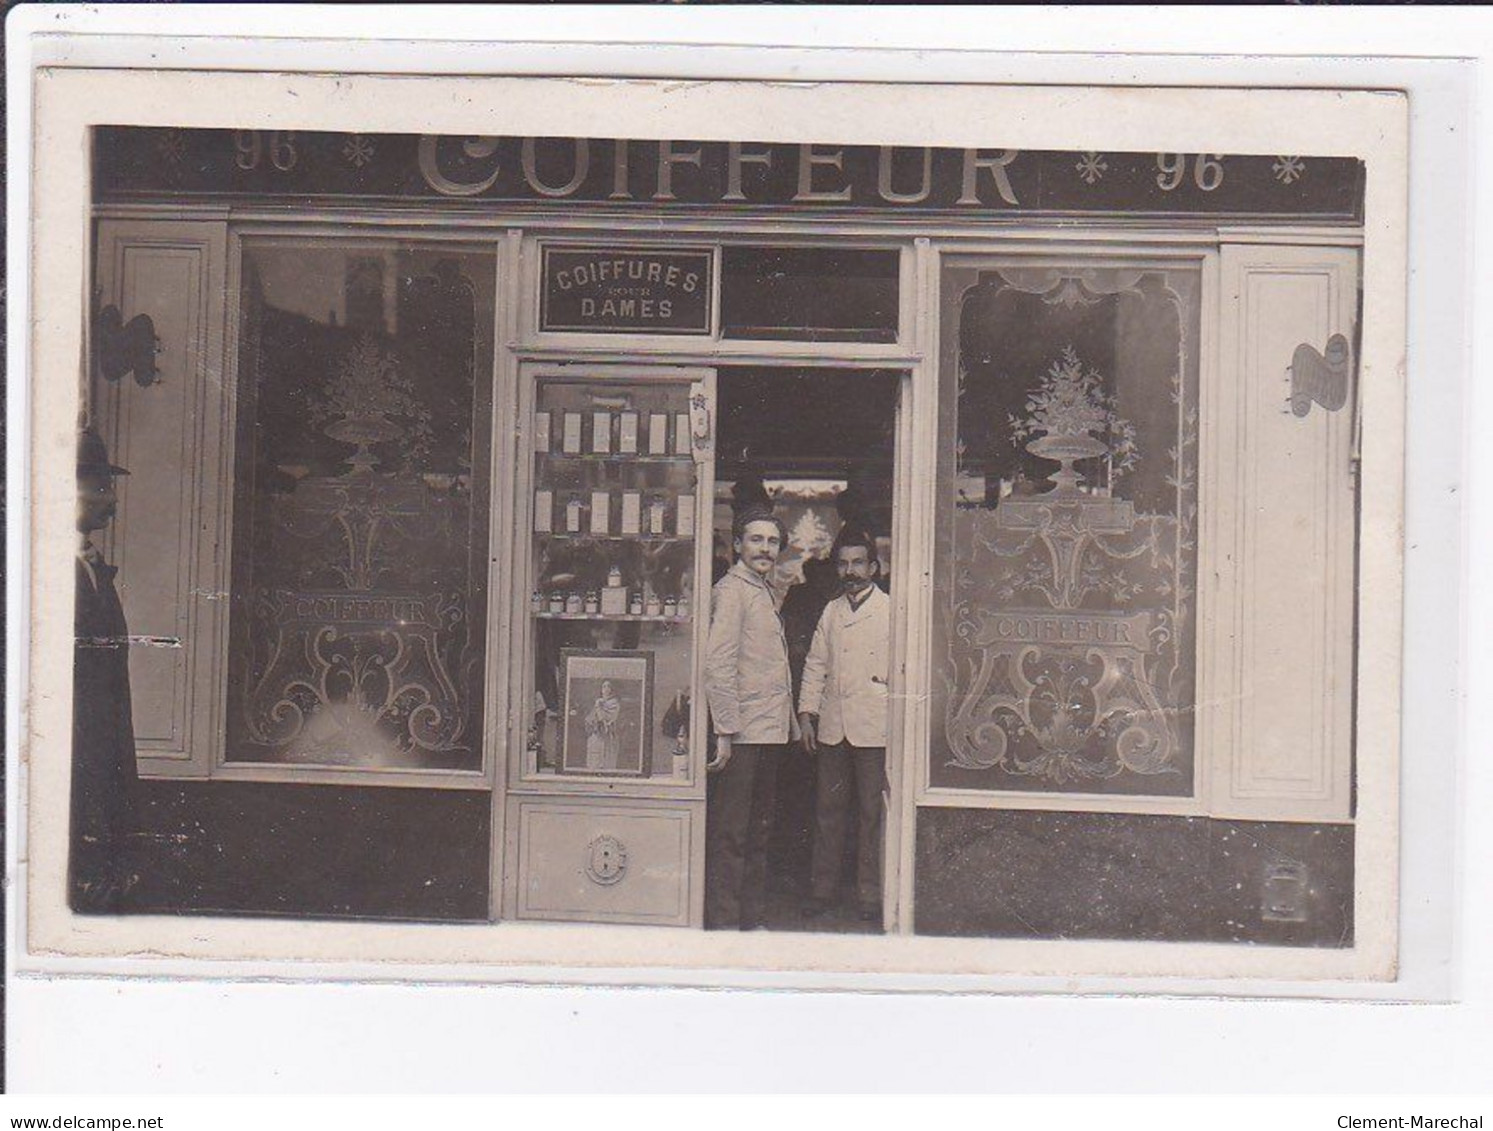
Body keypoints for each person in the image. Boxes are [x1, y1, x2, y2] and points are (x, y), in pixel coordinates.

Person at [703, 506, 797, 930]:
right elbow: (718, 665)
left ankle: (750, 920)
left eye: (772, 541)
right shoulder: (731, 591)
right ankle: (725, 925)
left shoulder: (763, 588)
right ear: (738, 545)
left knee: (759, 830)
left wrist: (790, 724)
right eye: (756, 540)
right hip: (741, 733)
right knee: (732, 834)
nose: (765, 548)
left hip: (769, 730)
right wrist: (724, 730)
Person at [798, 527, 891, 926]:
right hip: (833, 726)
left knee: (871, 813)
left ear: (873, 566)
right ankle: (823, 890)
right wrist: (806, 714)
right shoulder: (831, 611)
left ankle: (871, 895)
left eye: (858, 563)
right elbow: (816, 664)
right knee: (828, 811)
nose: (850, 571)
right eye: (843, 564)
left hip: (874, 726)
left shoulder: (891, 610)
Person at [70, 425, 140, 913]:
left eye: (107, 486)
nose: (110, 499)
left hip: (101, 720)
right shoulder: (45, 567)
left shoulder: (91, 563)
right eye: (97, 487)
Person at [583, 679, 622, 771]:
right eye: (604, 686)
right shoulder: (597, 702)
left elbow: (611, 717)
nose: (606, 689)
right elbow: (590, 718)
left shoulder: (614, 703)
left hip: (608, 733)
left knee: (607, 754)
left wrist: (599, 708)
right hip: (596, 733)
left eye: (608, 686)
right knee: (595, 754)